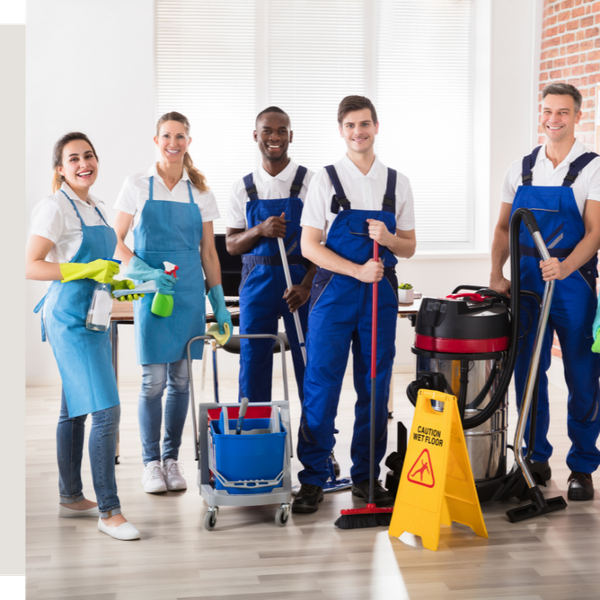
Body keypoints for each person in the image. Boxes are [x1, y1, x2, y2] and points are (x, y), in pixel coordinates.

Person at [293, 96, 416, 513]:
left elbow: (410, 246)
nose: (358, 132)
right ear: (341, 130)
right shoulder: (324, 180)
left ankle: (366, 476)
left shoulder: (397, 183)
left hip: (379, 294)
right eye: (350, 125)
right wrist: (355, 270)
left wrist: (390, 239)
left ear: (377, 126)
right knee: (321, 385)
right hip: (334, 292)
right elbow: (310, 246)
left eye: (365, 124)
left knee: (375, 385)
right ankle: (313, 478)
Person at [26, 132, 141, 540]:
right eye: (72, 159)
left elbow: (112, 259)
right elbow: (31, 266)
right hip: (68, 318)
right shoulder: (53, 207)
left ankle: (71, 495)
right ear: (60, 168)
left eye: (88, 155)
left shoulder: (97, 206)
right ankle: (110, 511)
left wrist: (135, 278)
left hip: (93, 314)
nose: (82, 164)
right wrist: (85, 271)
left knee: (74, 408)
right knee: (107, 410)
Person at [489, 83, 600, 501]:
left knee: (582, 376)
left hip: (572, 283)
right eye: (548, 111)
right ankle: (535, 458)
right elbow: (503, 228)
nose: (554, 119)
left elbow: (595, 232)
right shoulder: (521, 168)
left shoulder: (592, 166)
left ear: (577, 116)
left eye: (563, 113)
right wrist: (496, 272)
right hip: (527, 285)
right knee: (528, 372)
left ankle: (582, 466)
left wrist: (566, 265)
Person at [113, 112, 232, 494]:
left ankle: (171, 458)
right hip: (152, 292)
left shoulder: (200, 192)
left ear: (188, 142)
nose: (173, 142)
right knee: (153, 382)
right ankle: (150, 463)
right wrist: (143, 272)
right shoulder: (136, 185)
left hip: (187, 296)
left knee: (181, 381)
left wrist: (219, 300)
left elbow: (209, 253)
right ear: (156, 140)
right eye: (167, 135)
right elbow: (114, 241)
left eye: (180, 136)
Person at [225, 107, 315, 405]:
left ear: (291, 135)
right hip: (256, 286)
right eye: (267, 130)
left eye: (281, 131)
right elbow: (232, 245)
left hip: (300, 287)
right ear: (255, 135)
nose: (274, 137)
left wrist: (307, 286)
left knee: (310, 362)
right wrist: (260, 230)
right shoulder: (243, 187)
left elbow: (324, 243)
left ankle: (315, 444)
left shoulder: (311, 183)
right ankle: (253, 437)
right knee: (253, 363)